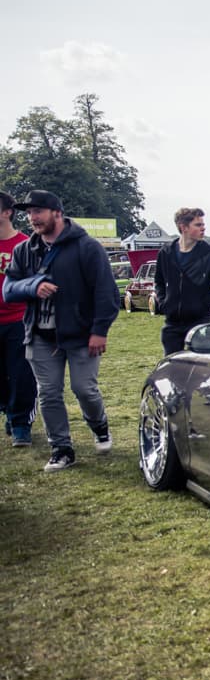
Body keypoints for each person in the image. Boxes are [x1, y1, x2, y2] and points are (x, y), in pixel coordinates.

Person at [2, 190, 119, 471]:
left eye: (38, 211)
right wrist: (34, 286)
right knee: (49, 393)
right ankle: (61, 449)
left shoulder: (87, 247)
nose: (32, 218)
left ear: (56, 212)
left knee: (84, 389)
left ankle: (99, 426)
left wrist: (99, 331)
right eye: (29, 213)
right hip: (40, 336)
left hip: (81, 335)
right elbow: (9, 290)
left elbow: (106, 293)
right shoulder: (24, 250)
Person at [154, 207, 210, 356]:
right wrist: (164, 303)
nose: (203, 228)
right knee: (172, 366)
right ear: (184, 227)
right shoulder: (166, 252)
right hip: (172, 323)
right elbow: (159, 282)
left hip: (200, 322)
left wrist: (202, 305)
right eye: (198, 225)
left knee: (201, 365)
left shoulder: (208, 252)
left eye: (203, 224)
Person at [0, 192, 38, 447]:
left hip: (19, 320)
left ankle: (21, 423)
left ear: (7, 212)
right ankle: (8, 409)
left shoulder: (24, 245)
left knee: (21, 375)